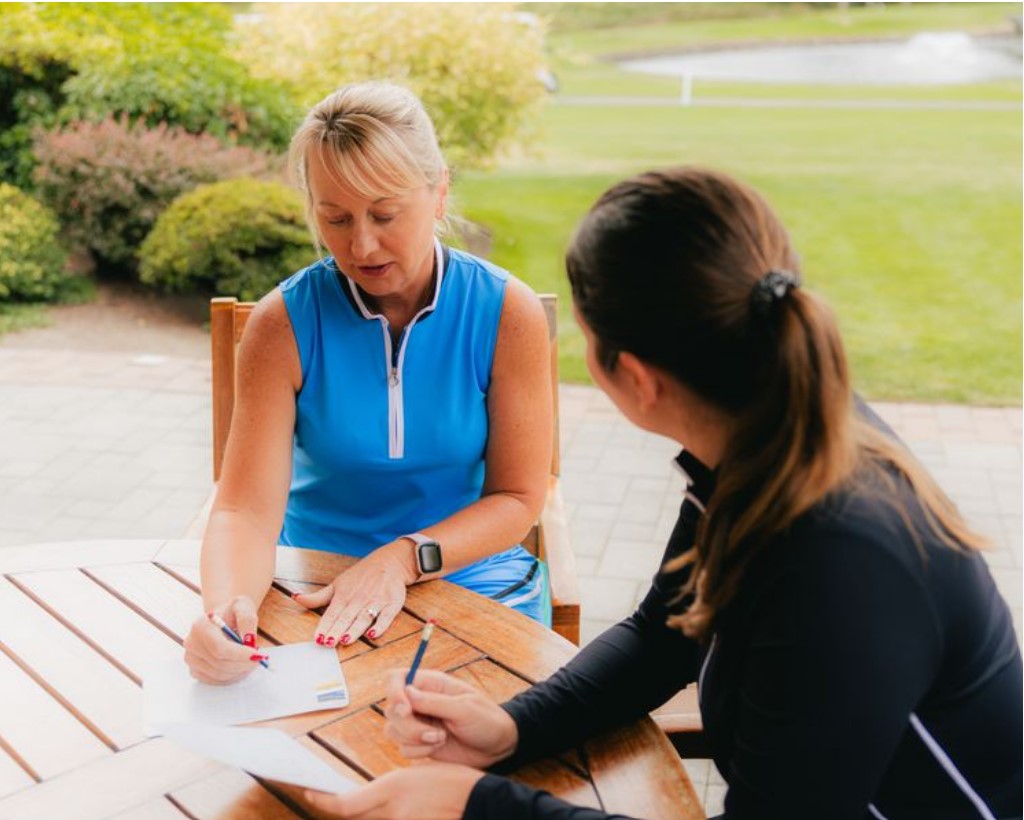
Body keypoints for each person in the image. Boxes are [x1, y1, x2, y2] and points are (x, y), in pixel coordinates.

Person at [304, 167, 1023, 819]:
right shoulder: (772, 437)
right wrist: (513, 728)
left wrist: (476, 806)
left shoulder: (840, 560)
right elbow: (662, 635)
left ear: (637, 380)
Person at [184, 81, 553, 684]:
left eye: (384, 214)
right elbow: (245, 511)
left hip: (468, 579)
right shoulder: (283, 324)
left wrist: (403, 560)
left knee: (471, 750)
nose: (361, 244)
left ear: (439, 192)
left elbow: (517, 499)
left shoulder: (506, 313)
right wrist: (226, 614)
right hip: (313, 586)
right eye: (335, 218)